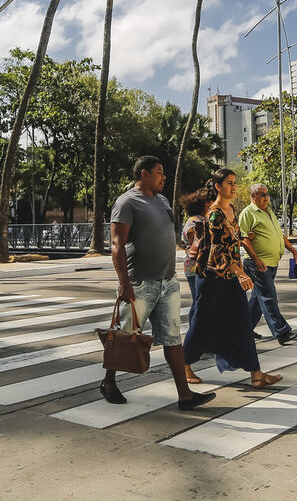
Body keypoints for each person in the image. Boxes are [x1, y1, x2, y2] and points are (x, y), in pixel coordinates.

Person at [101, 156, 215, 410]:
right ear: (144, 174)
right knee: (124, 338)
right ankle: (109, 382)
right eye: (159, 172)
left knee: (173, 339)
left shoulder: (162, 200)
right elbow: (117, 244)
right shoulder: (126, 202)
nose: (164, 177)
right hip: (139, 283)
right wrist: (124, 282)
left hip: (168, 282)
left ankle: (185, 396)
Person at [183, 169, 283, 388]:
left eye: (235, 183)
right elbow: (218, 249)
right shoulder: (215, 213)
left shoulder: (231, 210)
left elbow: (234, 244)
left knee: (241, 323)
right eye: (229, 183)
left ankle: (256, 373)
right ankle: (185, 364)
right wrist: (241, 272)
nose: (234, 187)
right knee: (201, 322)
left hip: (230, 276)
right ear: (218, 187)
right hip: (211, 278)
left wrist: (240, 266)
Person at [239, 184, 297, 345]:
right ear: (253, 197)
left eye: (267, 194)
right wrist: (256, 259)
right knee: (268, 297)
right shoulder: (248, 213)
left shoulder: (269, 212)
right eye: (261, 194)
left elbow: (279, 235)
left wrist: (292, 250)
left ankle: (243, 330)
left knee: (258, 298)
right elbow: (244, 238)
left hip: (271, 262)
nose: (266, 197)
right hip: (257, 262)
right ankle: (281, 332)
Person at [179, 187, 211, 384]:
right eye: (208, 201)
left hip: (201, 266)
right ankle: (195, 336)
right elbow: (194, 245)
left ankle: (199, 336)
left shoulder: (201, 220)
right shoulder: (195, 221)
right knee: (199, 303)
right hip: (196, 267)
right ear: (203, 204)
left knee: (200, 303)